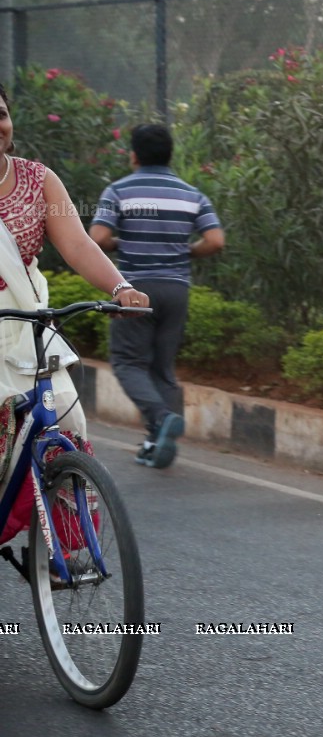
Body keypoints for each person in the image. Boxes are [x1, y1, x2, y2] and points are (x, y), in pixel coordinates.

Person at [0, 84, 150, 544]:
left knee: (64, 417)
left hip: (27, 324)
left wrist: (120, 287)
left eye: (0, 114)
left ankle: (68, 547)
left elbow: (79, 244)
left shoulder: (37, 178)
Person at [89, 124, 224, 469]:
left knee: (127, 361)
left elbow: (97, 237)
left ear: (133, 155)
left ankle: (161, 419)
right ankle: (156, 441)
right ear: (170, 155)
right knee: (162, 368)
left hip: (135, 289)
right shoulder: (191, 194)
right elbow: (215, 241)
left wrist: (122, 243)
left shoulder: (119, 191)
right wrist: (185, 252)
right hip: (177, 288)